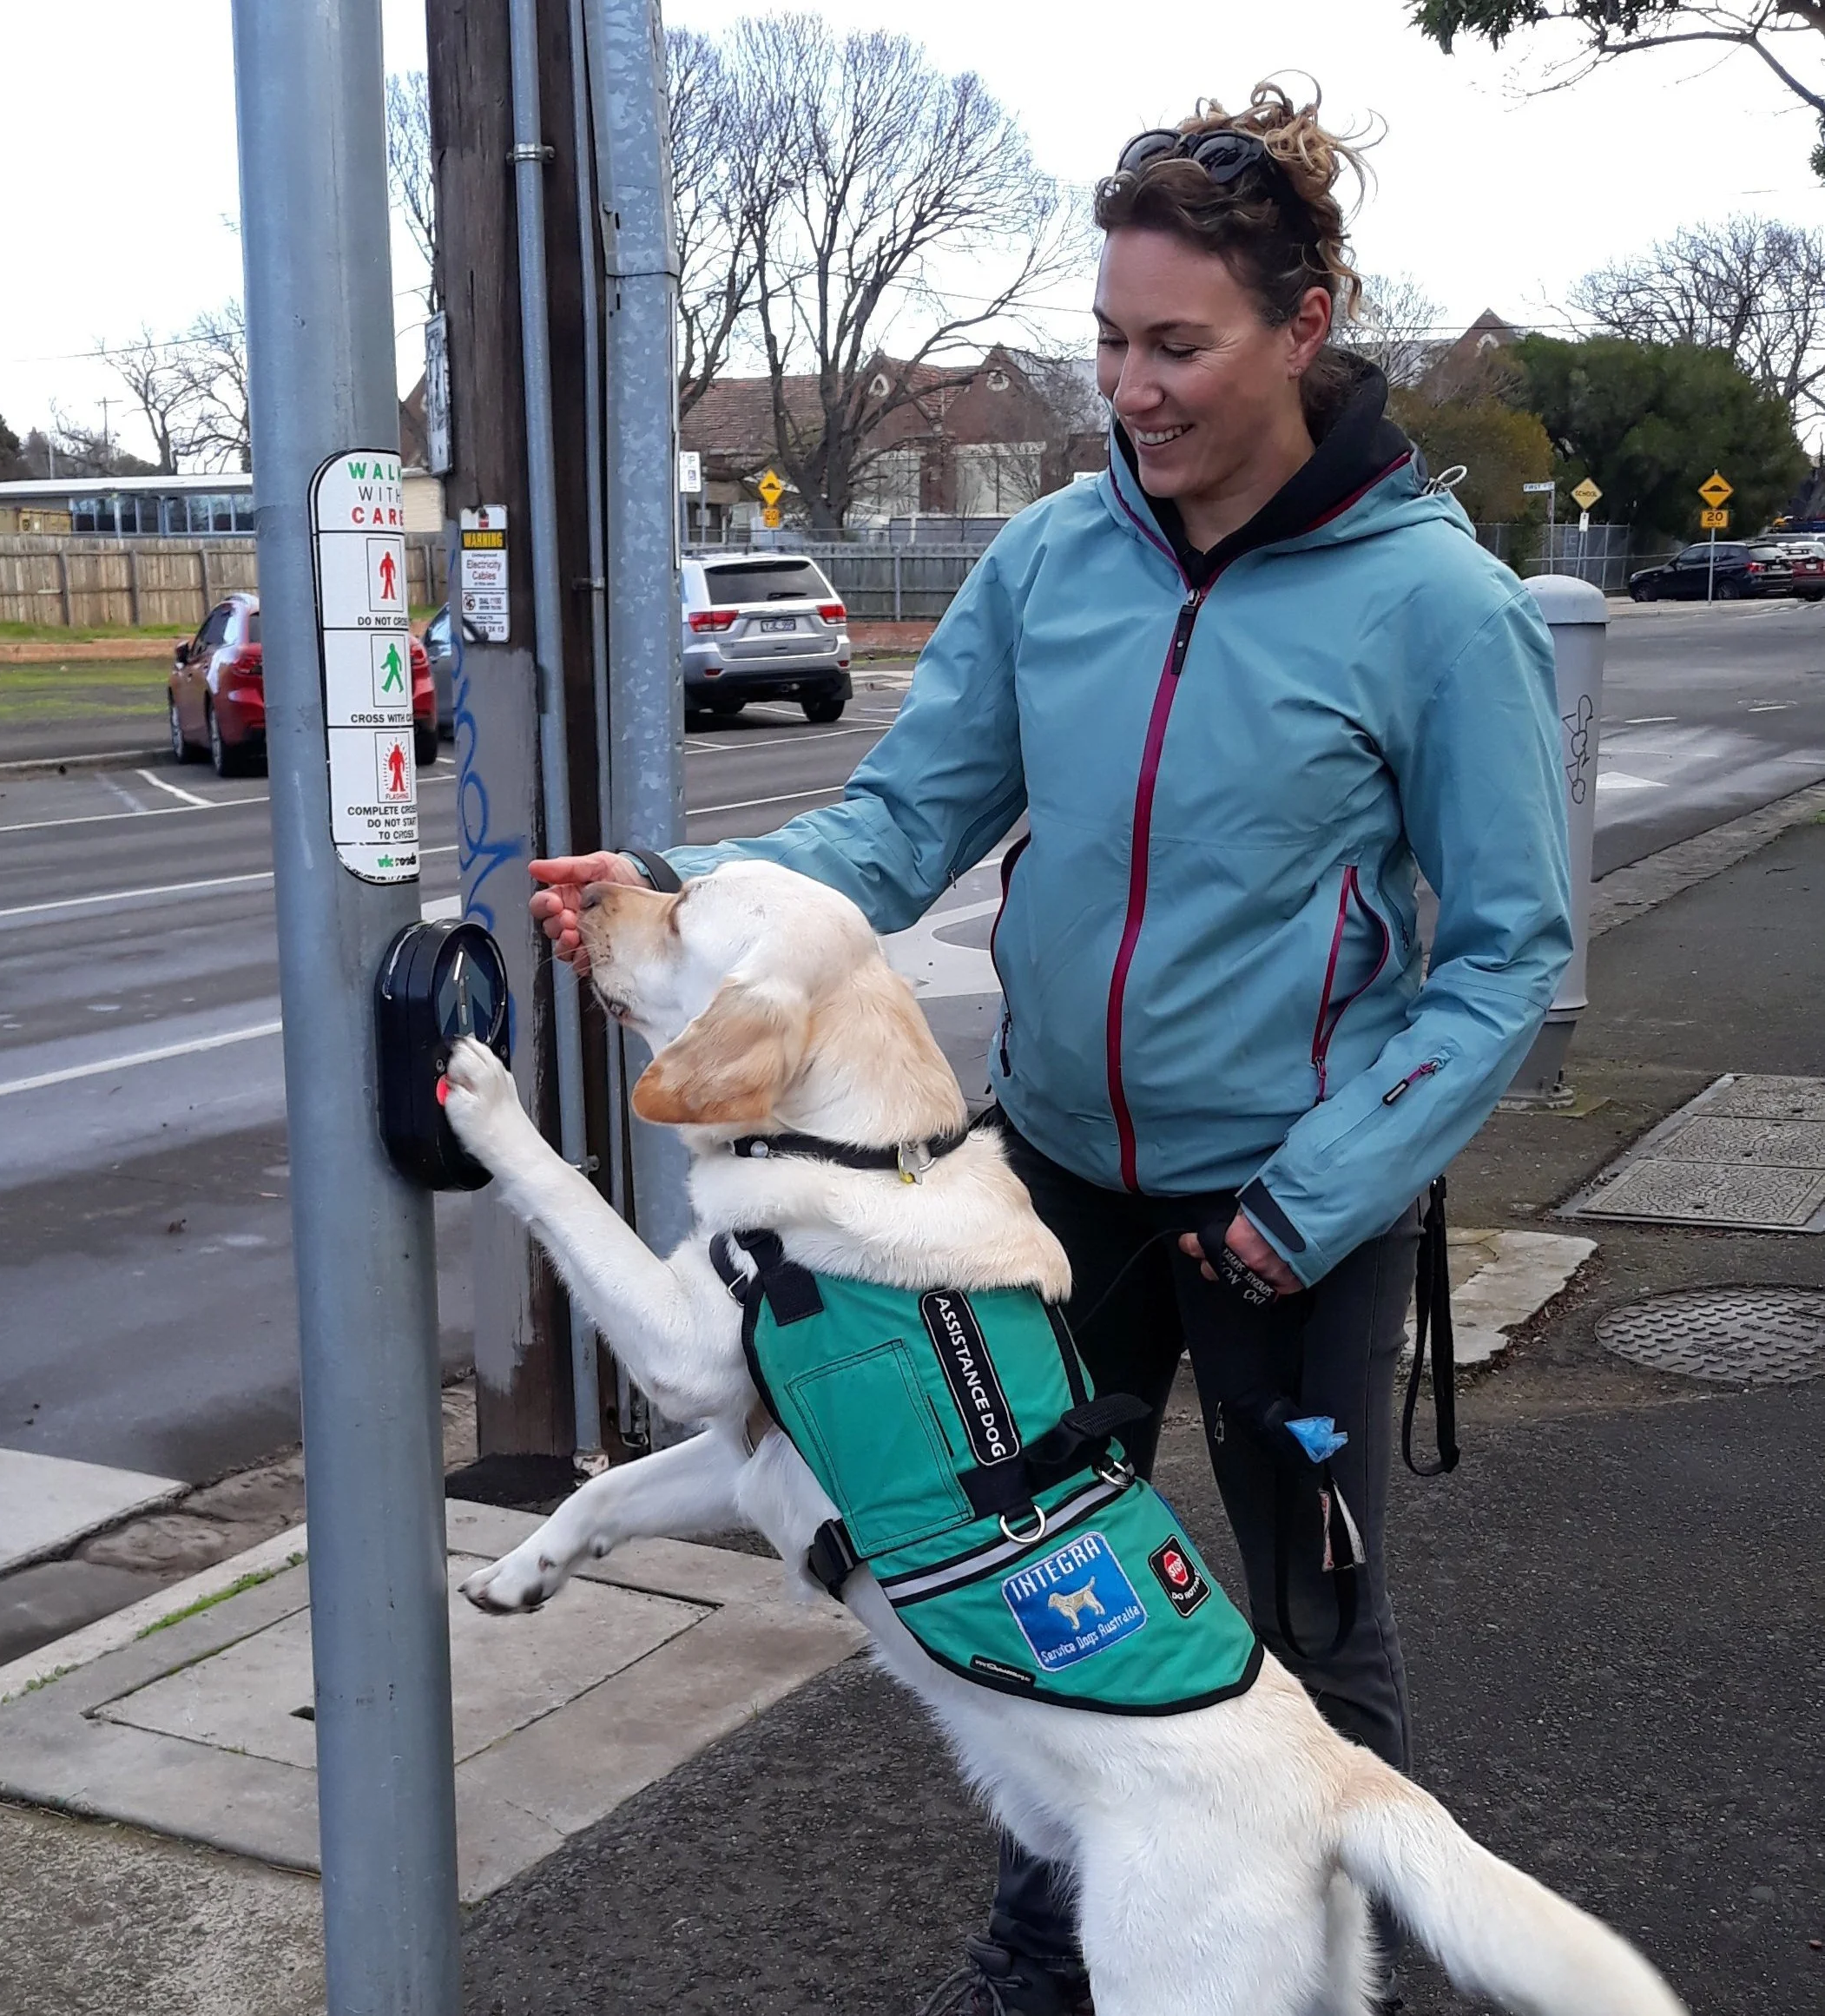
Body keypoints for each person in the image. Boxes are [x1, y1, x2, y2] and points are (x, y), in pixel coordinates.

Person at [529, 82, 1571, 2016]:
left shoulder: (1438, 608)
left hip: (1292, 1216)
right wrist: (678, 892)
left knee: (1313, 1652)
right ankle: (1041, 1978)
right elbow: (898, 828)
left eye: (1177, 344)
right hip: (1049, 1190)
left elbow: (1506, 961)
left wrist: (1313, 1196)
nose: (1133, 385)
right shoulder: (1055, 565)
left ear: (1304, 325)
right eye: (1110, 338)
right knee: (1032, 1612)